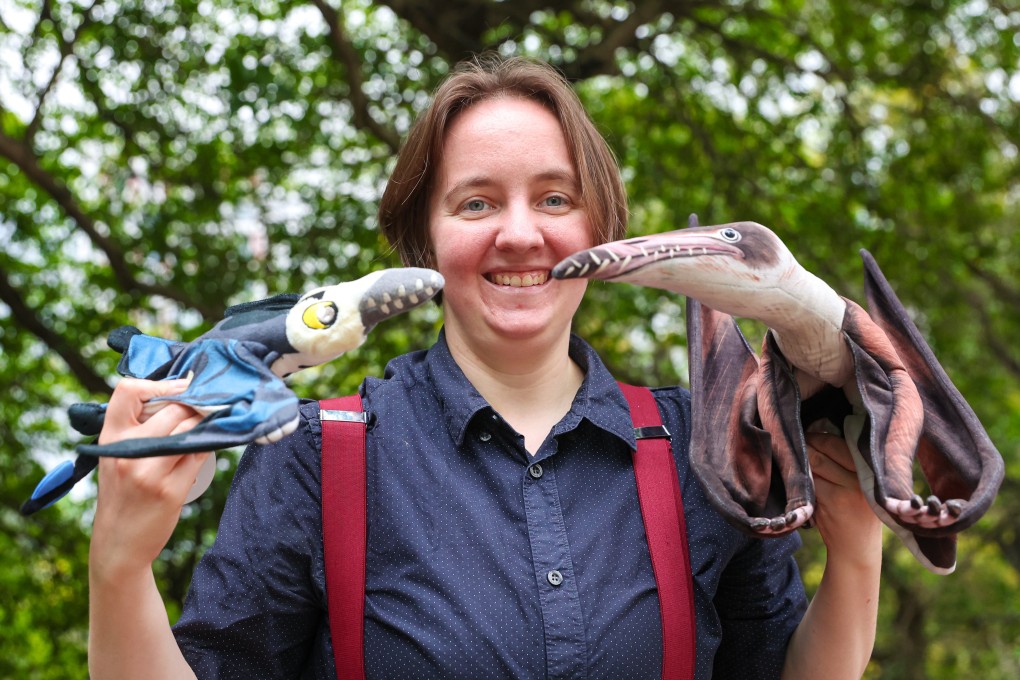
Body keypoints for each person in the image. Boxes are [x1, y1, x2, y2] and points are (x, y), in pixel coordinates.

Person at [87, 55, 882, 679]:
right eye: (475, 203)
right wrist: (119, 569)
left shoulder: (706, 450)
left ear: (599, 228)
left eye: (555, 199)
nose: (519, 234)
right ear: (424, 238)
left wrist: (855, 555)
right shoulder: (312, 455)